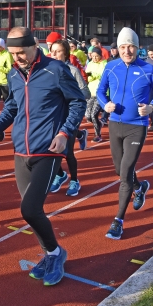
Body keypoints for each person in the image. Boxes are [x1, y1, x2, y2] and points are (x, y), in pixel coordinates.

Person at [0, 27, 86, 286]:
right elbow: (13, 106)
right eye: (13, 53)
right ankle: (52, 253)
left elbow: (78, 102)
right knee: (32, 212)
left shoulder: (56, 70)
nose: (18, 58)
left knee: (29, 208)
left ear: (35, 45)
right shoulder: (14, 73)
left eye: (22, 52)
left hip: (47, 150)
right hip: (20, 151)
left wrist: (64, 132)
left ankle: (55, 253)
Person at [98, 29, 153, 239]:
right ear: (118, 48)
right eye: (123, 47)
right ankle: (140, 186)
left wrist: (152, 108)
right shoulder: (111, 66)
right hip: (115, 124)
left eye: (131, 46)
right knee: (119, 170)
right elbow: (100, 91)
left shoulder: (148, 69)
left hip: (137, 126)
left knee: (125, 172)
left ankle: (118, 221)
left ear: (137, 48)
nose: (127, 50)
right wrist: (105, 104)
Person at [48, 40, 90, 196]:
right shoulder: (47, 70)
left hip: (69, 117)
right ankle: (60, 175)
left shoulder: (72, 71)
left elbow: (86, 92)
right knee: (50, 149)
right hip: (53, 117)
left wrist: (69, 97)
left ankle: (74, 180)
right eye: (52, 51)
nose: (54, 54)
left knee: (68, 152)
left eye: (58, 51)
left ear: (65, 53)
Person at [85, 48, 107, 142]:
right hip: (91, 92)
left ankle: (98, 135)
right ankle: (100, 123)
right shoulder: (90, 64)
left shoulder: (105, 64)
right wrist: (90, 77)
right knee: (88, 116)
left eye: (96, 56)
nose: (94, 58)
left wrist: (95, 75)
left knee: (94, 115)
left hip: (100, 93)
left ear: (100, 55)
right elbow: (87, 75)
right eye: (92, 56)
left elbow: (104, 75)